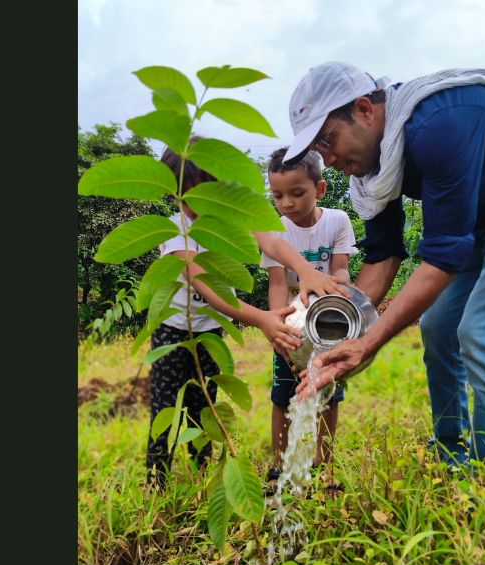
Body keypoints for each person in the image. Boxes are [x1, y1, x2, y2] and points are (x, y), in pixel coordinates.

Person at [287, 62, 485, 465]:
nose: (327, 158)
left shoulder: (438, 123)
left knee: (483, 333)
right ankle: (451, 453)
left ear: (363, 109)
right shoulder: (376, 167)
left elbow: (443, 258)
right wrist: (334, 326)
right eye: (317, 150)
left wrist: (368, 344)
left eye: (329, 140)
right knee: (437, 325)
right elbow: (383, 254)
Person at [146, 139, 349, 488]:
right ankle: (156, 477)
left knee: (205, 403)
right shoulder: (175, 230)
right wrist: (261, 318)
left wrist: (308, 271)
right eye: (185, 196)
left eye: (204, 193)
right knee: (164, 405)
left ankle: (200, 468)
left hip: (210, 330)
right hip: (172, 329)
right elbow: (207, 285)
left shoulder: (228, 219)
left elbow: (272, 241)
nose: (195, 205)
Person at [261, 147, 357, 490]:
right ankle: (278, 465)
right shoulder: (275, 230)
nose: (286, 203)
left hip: (329, 325)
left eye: (296, 193)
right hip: (292, 327)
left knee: (328, 396)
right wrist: (278, 331)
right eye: (277, 195)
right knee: (282, 396)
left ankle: (325, 464)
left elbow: (341, 270)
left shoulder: (337, 221)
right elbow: (276, 285)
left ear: (319, 189)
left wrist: (333, 292)